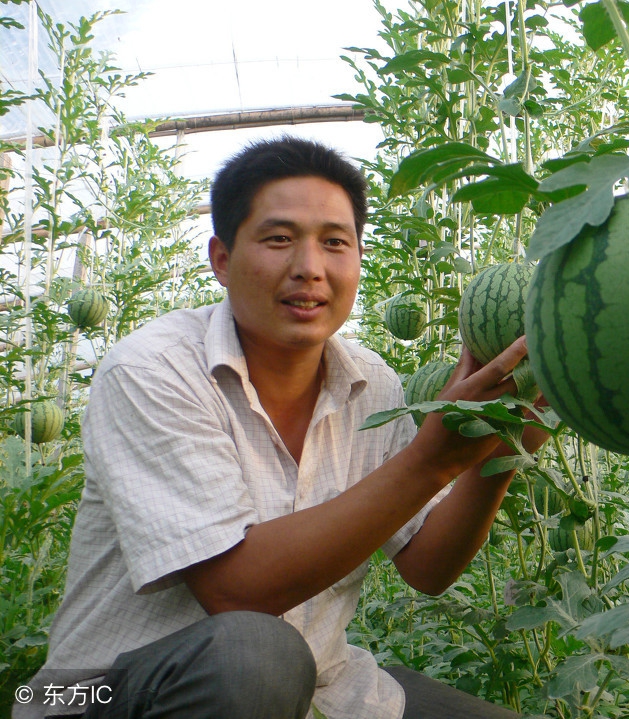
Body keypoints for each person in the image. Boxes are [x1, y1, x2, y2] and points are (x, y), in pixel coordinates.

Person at [18, 136, 543, 719]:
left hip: (322, 687)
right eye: (279, 239)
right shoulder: (152, 369)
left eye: (335, 243)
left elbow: (428, 567)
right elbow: (237, 592)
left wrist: (504, 450)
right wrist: (431, 460)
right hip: (101, 693)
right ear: (221, 258)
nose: (309, 269)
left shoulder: (375, 384)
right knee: (256, 656)